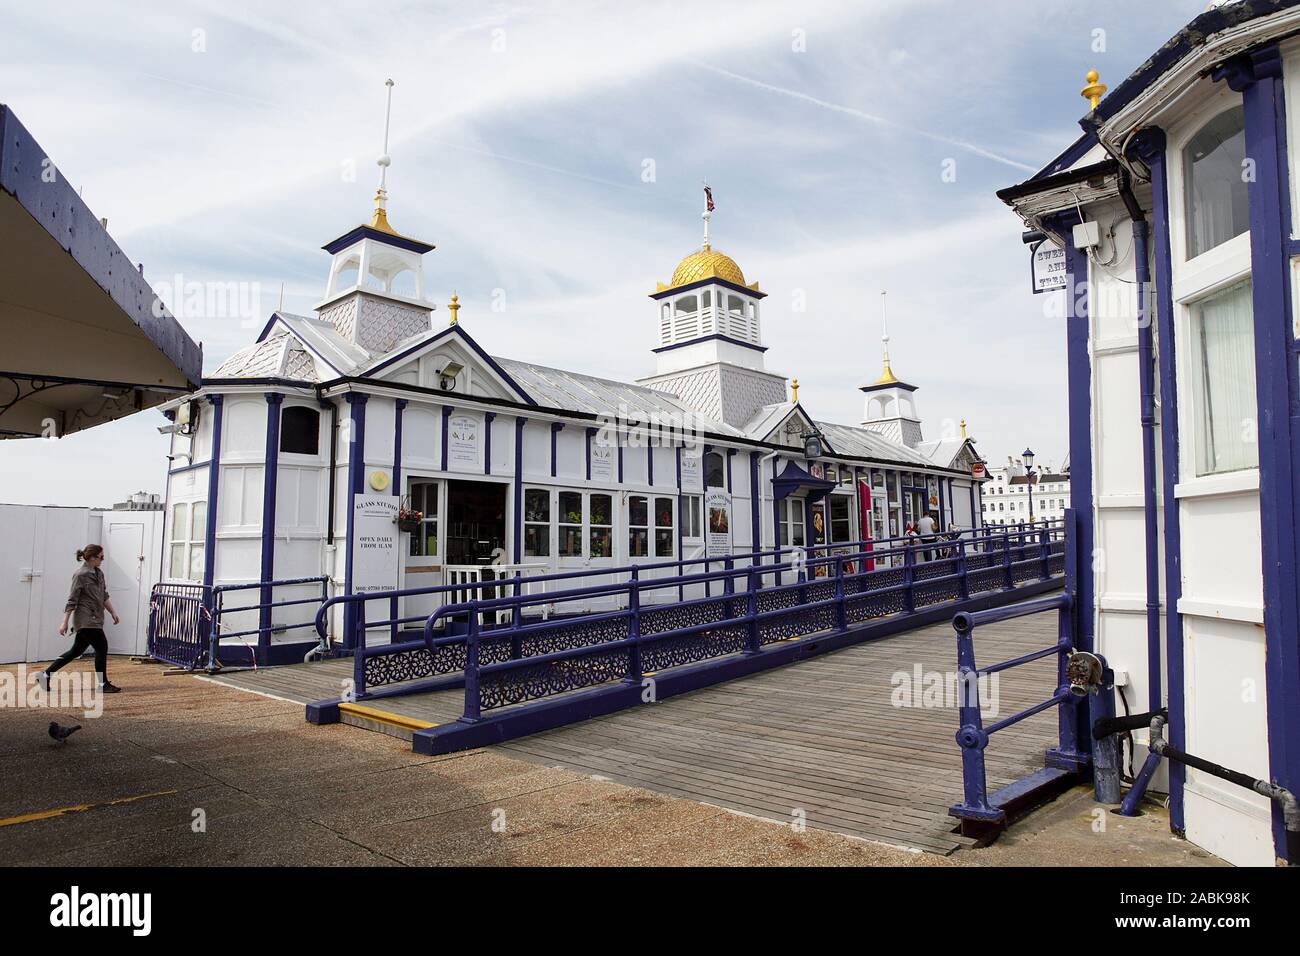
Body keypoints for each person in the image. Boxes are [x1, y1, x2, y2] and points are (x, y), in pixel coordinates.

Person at [39, 544, 122, 694]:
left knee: (75, 651)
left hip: (96, 618)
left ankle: (45, 675)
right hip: (85, 619)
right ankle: (103, 684)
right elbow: (72, 600)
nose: (102, 560)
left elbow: (104, 595)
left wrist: (113, 612)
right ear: (91, 558)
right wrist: (64, 622)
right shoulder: (80, 575)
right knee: (101, 647)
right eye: (100, 557)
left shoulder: (99, 573)